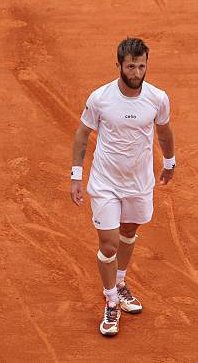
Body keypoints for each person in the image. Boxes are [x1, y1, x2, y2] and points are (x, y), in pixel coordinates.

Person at [70, 37, 175, 336]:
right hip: (105, 184)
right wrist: (76, 175)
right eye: (130, 66)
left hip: (139, 183)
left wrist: (170, 162)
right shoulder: (100, 98)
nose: (136, 72)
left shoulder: (157, 98)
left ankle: (120, 281)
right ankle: (111, 301)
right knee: (109, 243)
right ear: (118, 65)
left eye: (141, 66)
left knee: (129, 234)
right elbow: (81, 135)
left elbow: (164, 130)